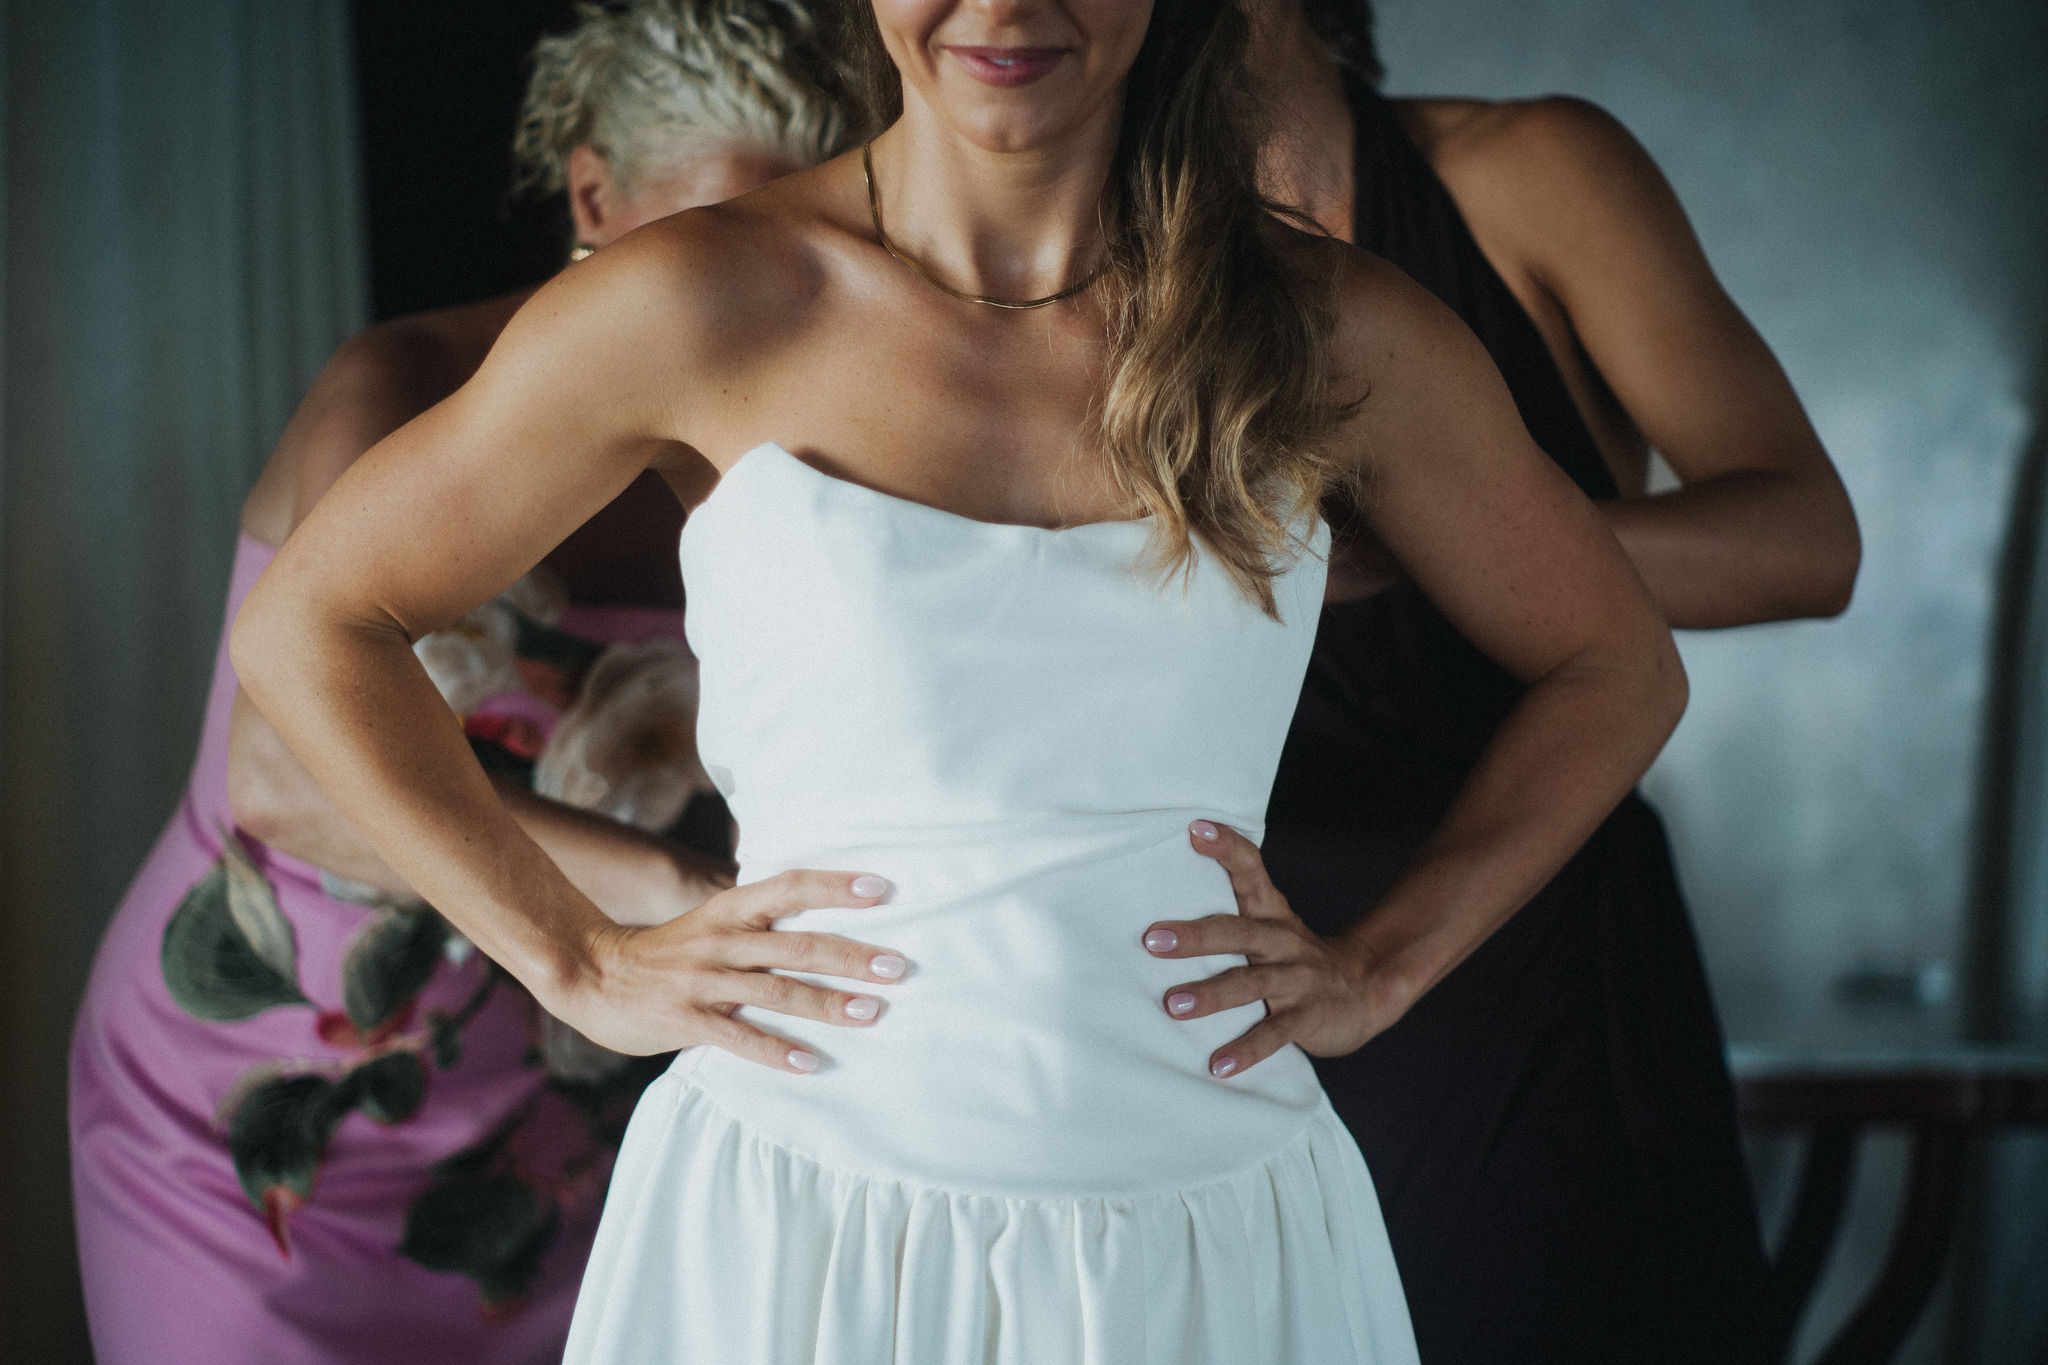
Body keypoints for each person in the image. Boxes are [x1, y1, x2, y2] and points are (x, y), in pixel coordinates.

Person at [231, 0, 1689, 1357]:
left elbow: (1614, 663)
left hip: (1215, 1236)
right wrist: (577, 958)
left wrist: (1384, 965)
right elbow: (317, 621)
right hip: (799, 1226)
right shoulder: (696, 301)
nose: (1003, 6)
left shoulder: (1329, 329)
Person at [67, 4, 849, 1361]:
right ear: (594, 199)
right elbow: (286, 777)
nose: (760, 295)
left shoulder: (813, 464)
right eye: (722, 234)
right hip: (244, 1145)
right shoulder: (404, 387)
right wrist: (662, 885)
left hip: (556, 1158)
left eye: (813, 244)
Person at [1192, 1, 1863, 1359]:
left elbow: (1809, 538)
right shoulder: (1074, 255)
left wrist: (1460, 532)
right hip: (1229, 988)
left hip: (1546, 979)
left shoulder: (1530, 173)